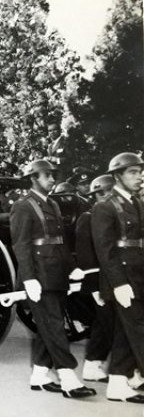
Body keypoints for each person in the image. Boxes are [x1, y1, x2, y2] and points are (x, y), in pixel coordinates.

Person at [10, 159, 95, 399]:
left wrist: (72, 268)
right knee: (55, 326)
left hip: (56, 273)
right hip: (39, 276)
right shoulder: (23, 206)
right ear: (33, 178)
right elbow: (21, 245)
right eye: (46, 175)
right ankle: (68, 378)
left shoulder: (53, 205)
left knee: (49, 326)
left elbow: (60, 242)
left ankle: (39, 375)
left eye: (53, 174)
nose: (52, 179)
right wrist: (28, 279)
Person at [91, 152, 144, 403]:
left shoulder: (137, 203)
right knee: (138, 329)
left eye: (140, 171)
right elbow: (105, 250)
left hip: (139, 274)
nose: (139, 177)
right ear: (117, 176)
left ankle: (118, 384)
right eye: (132, 172)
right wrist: (119, 283)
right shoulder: (105, 206)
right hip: (122, 278)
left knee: (125, 331)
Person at [76, 175, 115, 383]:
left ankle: (93, 365)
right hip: (98, 280)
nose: (105, 196)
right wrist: (93, 288)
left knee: (106, 322)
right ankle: (95, 365)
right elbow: (85, 257)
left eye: (108, 192)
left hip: (113, 277)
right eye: (100, 193)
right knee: (108, 322)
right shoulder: (87, 218)